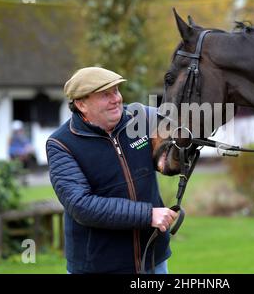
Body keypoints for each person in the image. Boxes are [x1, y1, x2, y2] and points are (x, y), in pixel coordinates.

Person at [46, 67, 177, 274]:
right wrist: (147, 215)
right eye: (105, 95)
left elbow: (183, 126)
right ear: (81, 104)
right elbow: (81, 205)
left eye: (116, 91)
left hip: (153, 259)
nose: (116, 99)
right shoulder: (61, 143)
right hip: (99, 266)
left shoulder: (140, 117)